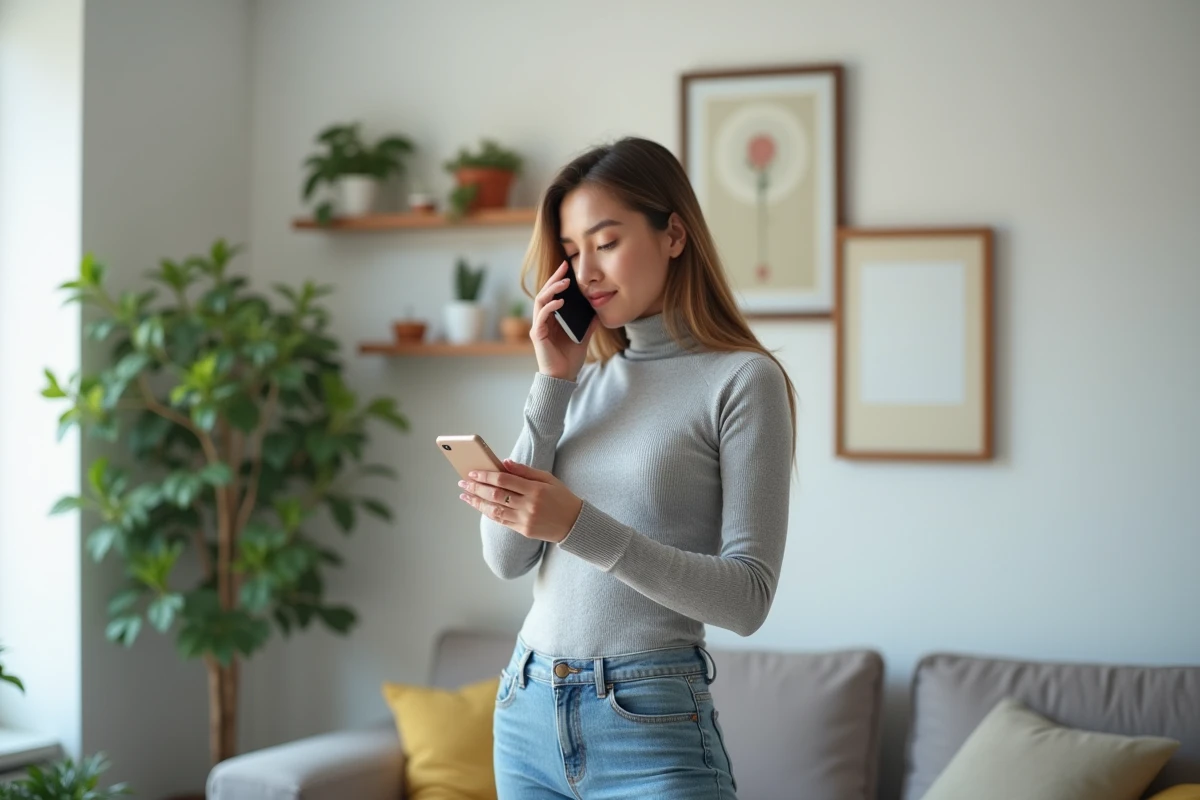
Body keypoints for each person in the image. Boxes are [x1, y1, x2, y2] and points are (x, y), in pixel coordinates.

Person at [457, 136, 796, 799]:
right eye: (572, 250)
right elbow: (506, 558)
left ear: (673, 234)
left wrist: (581, 526)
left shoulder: (742, 381)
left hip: (646, 717)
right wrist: (551, 379)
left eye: (605, 242)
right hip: (526, 710)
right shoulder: (578, 385)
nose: (585, 270)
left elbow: (748, 598)